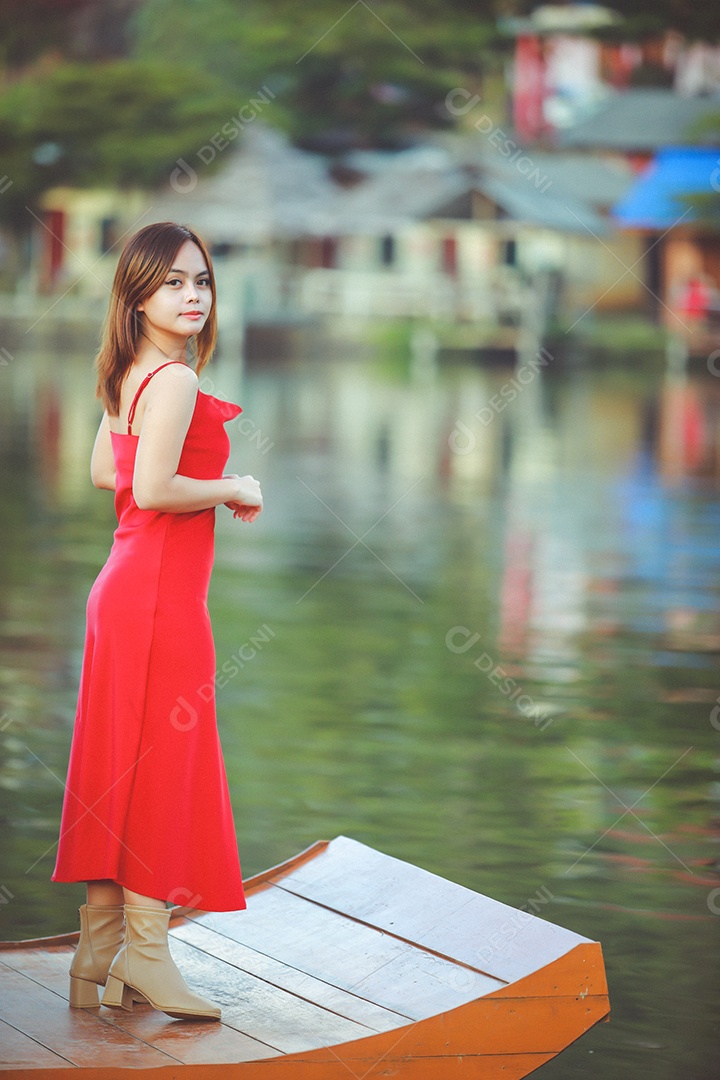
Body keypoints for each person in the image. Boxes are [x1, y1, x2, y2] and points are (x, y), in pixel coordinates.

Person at [51, 221, 262, 1021]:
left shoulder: (128, 371)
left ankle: (97, 953)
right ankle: (145, 953)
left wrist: (186, 480)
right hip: (158, 602)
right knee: (164, 770)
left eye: (202, 281)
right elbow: (156, 486)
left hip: (124, 590)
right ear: (137, 294)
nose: (193, 295)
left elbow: (109, 469)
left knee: (123, 771)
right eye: (173, 281)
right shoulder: (170, 379)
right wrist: (235, 486)